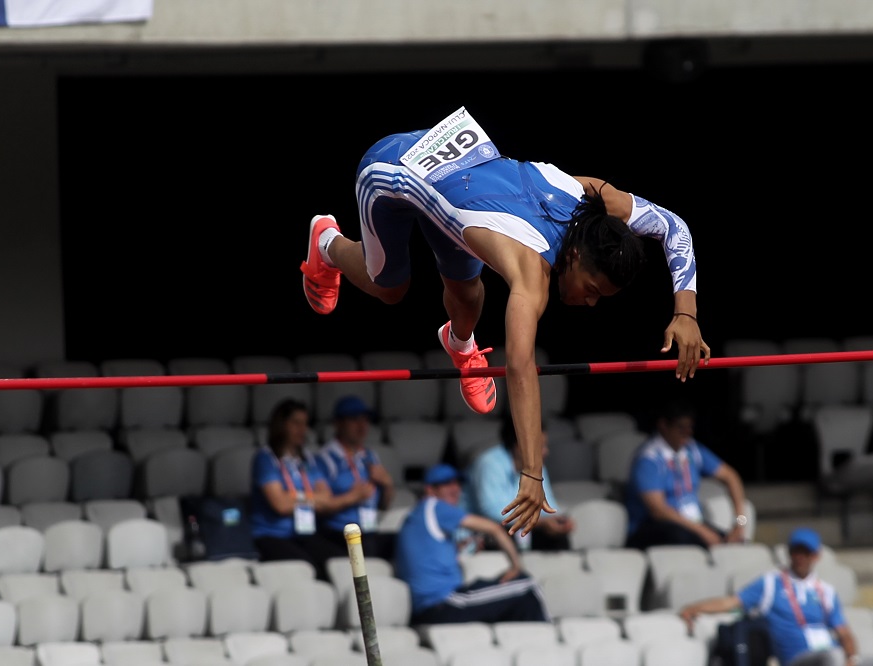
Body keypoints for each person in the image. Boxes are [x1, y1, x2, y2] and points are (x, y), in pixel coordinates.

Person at [300, 105, 711, 540]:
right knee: (389, 287)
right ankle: (326, 242)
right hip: (392, 171)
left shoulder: (588, 195)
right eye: (592, 289)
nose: (589, 303)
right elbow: (520, 367)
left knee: (467, 295)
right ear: (574, 257)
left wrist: (686, 312)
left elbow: (674, 226)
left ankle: (459, 343)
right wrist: (531, 472)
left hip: (458, 179)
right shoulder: (529, 273)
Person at [679, 527, 873, 666]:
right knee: (832, 657)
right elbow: (732, 602)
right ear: (789, 552)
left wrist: (852, 658)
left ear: (817, 555)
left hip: (834, 656)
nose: (801, 557)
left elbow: (845, 634)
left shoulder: (826, 591)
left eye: (807, 552)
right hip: (798, 659)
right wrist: (693, 608)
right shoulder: (770, 583)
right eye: (797, 551)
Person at [394, 462, 550, 626]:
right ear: (430, 490)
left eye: (457, 483)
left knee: (506, 590)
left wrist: (459, 549)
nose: (455, 489)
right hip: (443, 603)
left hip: (431, 607)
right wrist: (516, 566)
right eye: (447, 484)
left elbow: (427, 558)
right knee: (528, 586)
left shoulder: (416, 516)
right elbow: (494, 529)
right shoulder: (434, 506)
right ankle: (547, 644)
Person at [624, 398, 748, 551]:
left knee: (734, 545)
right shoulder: (649, 459)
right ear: (664, 426)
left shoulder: (692, 449)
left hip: (692, 523)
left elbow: (731, 477)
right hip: (655, 528)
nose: (687, 433)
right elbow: (659, 511)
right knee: (689, 540)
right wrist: (702, 531)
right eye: (681, 428)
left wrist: (740, 524)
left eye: (690, 428)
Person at [248, 398, 350, 580]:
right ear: (281, 425)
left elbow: (327, 498)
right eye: (296, 423)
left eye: (305, 424)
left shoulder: (308, 459)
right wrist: (311, 498)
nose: (303, 430)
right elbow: (280, 505)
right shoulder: (265, 458)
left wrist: (293, 497)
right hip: (271, 536)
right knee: (310, 569)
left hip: (304, 533)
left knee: (341, 563)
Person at [464, 412, 575, 551]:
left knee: (557, 536)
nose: (546, 452)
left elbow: (548, 506)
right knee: (504, 533)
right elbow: (493, 512)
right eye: (540, 447)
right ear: (519, 445)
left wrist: (559, 521)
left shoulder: (539, 467)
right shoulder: (489, 463)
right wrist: (540, 522)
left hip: (520, 528)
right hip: (483, 533)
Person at [313, 394, 398, 561]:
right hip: (339, 534)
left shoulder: (370, 456)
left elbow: (383, 505)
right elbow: (320, 506)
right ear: (338, 423)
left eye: (365, 419)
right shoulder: (325, 458)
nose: (362, 425)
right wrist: (352, 497)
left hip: (369, 530)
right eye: (354, 419)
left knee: (402, 543)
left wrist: (388, 485)